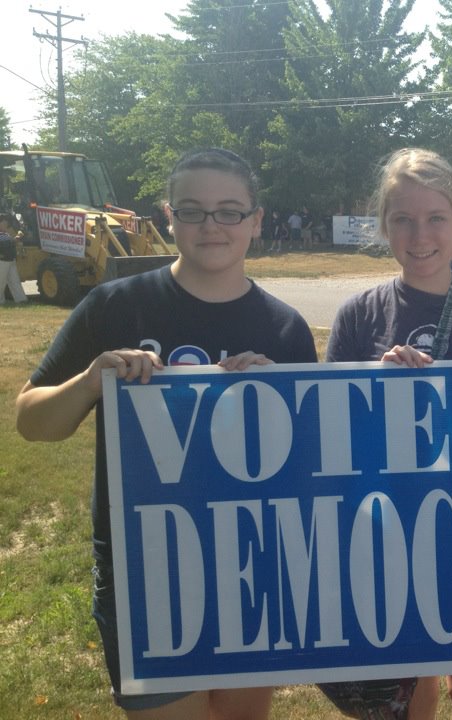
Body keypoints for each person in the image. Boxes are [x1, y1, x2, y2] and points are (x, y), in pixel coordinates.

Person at [15, 148, 318, 719]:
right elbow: (31, 423)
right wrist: (87, 383)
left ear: (256, 220)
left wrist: (287, 402)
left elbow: (311, 468)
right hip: (146, 572)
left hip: (254, 565)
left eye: (230, 211)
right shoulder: (114, 305)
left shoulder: (284, 328)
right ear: (168, 217)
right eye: (193, 210)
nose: (212, 225)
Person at [322, 147, 452, 720]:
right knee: (409, 689)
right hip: (388, 525)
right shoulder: (359, 314)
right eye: (403, 219)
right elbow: (327, 435)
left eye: (436, 217)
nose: (420, 234)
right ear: (384, 226)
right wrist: (374, 388)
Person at [0, 213, 28, 304]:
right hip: (2, 261)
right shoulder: (3, 235)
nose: (6, 224)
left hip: (10, 260)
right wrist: (18, 237)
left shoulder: (6, 234)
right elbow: (6, 242)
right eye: (4, 223)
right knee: (1, 282)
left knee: (15, 281)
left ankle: (21, 299)